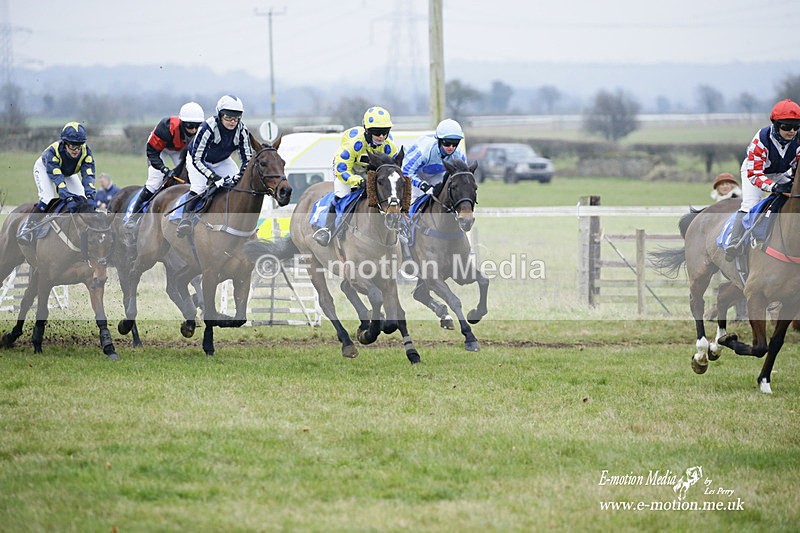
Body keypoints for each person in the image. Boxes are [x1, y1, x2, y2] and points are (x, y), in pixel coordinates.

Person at [312, 106, 401, 246]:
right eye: (377, 132)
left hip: (369, 173)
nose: (382, 136)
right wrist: (357, 181)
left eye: (385, 132)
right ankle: (327, 229)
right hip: (346, 170)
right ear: (367, 130)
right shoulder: (354, 143)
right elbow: (341, 168)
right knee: (341, 195)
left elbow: (395, 171)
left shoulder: (389, 146)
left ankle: (397, 229)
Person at [725, 98, 800, 260]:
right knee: (750, 203)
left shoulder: (798, 140)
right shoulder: (761, 140)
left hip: (781, 172)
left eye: (796, 126)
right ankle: (735, 241)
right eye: (786, 126)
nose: (792, 131)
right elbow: (755, 174)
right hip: (755, 172)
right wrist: (774, 187)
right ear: (775, 124)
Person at [178, 95, 253, 237]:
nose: (233, 121)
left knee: (238, 184)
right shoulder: (208, 127)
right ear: (219, 114)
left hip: (222, 160)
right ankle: (185, 221)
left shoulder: (242, 130)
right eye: (228, 117)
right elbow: (197, 159)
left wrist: (240, 174)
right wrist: (214, 177)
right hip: (198, 159)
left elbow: (247, 159)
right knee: (199, 187)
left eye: (236, 117)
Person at [18, 122, 96, 244]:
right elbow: (58, 181)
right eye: (72, 146)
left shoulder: (86, 153)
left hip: (67, 172)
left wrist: (91, 196)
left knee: (83, 198)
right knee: (47, 198)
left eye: (79, 146)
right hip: (45, 168)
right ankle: (27, 226)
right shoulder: (53, 152)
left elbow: (88, 176)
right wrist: (68, 198)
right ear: (65, 144)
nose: (76, 150)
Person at [126, 101, 205, 222]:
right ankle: (133, 217)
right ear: (182, 123)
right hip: (160, 149)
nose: (194, 130)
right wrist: (164, 169)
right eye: (190, 126)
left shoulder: (202, 131)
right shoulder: (165, 127)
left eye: (197, 126)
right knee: (154, 182)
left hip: (179, 150)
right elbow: (152, 153)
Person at [403, 118, 467, 202]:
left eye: (455, 143)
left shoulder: (459, 154)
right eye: (447, 143)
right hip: (416, 174)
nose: (451, 147)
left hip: (437, 175)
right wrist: (422, 185)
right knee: (413, 200)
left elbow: (463, 175)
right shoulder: (423, 151)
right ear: (439, 141)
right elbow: (406, 172)